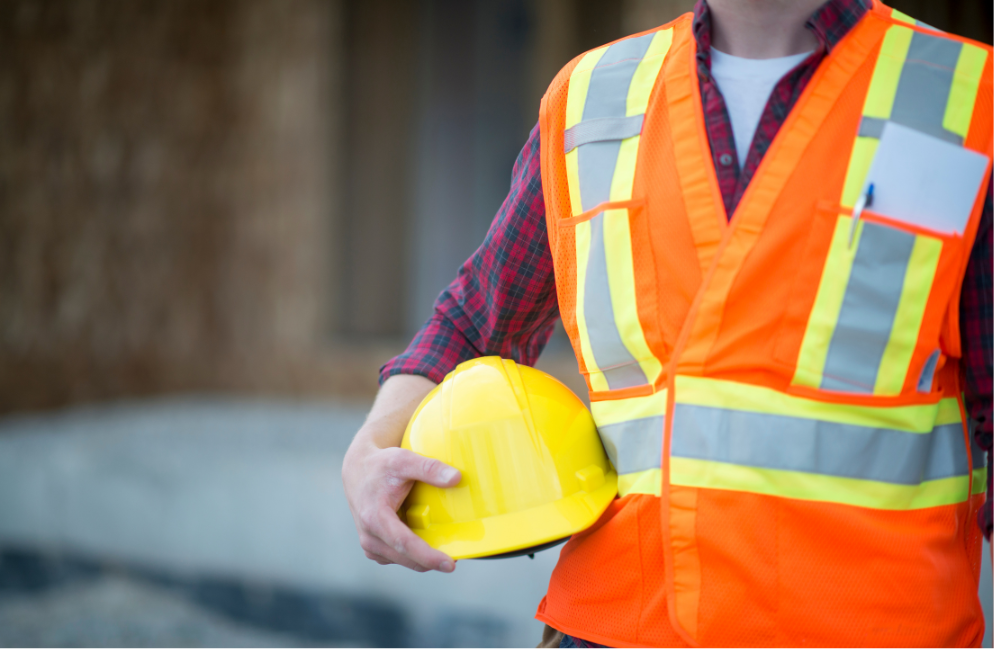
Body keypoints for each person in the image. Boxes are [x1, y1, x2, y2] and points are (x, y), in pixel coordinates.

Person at [343, 0, 993, 646]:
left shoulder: (972, 102)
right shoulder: (589, 100)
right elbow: (475, 321)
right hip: (618, 625)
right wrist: (374, 446)